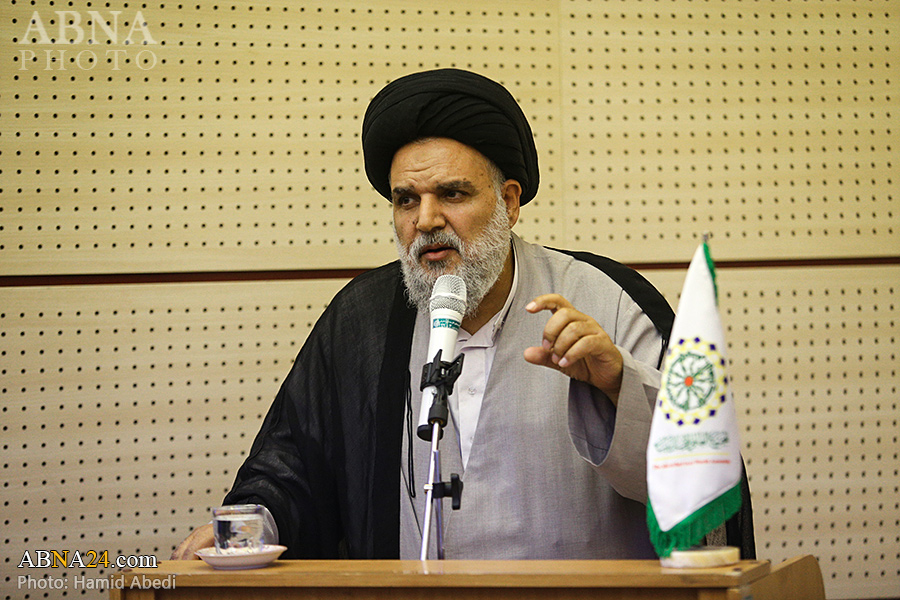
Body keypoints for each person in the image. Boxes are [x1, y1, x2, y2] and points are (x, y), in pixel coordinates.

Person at [172, 68, 681, 561]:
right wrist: (243, 529)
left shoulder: (610, 302)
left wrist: (619, 386)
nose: (426, 219)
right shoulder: (364, 319)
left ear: (509, 202)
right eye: (407, 200)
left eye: (452, 194)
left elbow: (697, 475)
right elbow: (294, 468)